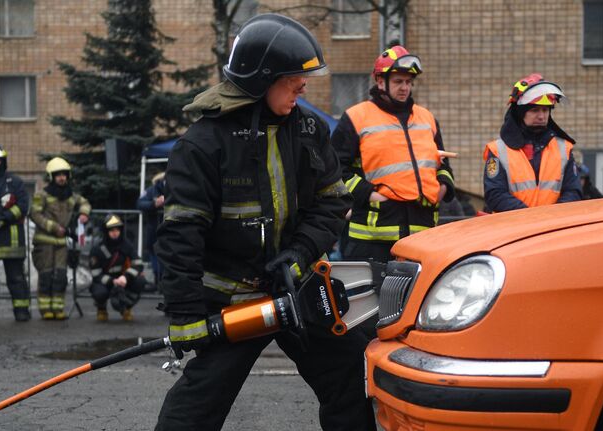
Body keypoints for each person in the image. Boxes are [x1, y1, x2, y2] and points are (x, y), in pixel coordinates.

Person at [154, 14, 373, 431]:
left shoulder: (308, 129)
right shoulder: (203, 143)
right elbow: (180, 235)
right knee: (198, 406)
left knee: (352, 375)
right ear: (262, 79)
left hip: (299, 291)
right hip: (234, 303)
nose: (303, 87)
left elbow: (332, 202)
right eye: (293, 80)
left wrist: (298, 255)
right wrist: (185, 317)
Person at [331, 45, 455, 264]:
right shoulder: (356, 117)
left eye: (408, 82)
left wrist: (442, 188)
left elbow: (442, 165)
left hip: (422, 236)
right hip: (372, 239)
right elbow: (334, 171)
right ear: (380, 81)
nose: (404, 88)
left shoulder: (427, 119)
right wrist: (370, 194)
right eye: (398, 81)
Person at [483, 73, 582, 212]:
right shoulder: (498, 150)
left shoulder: (564, 148)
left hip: (553, 227)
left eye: (545, 110)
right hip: (513, 228)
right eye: (535, 110)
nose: (541, 116)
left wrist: (552, 217)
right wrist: (529, 218)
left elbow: (573, 191)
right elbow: (495, 194)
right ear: (520, 113)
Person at [30, 157, 91, 320]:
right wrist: (53, 227)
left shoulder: (71, 196)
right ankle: (45, 310)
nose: (61, 177)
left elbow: (85, 203)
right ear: (52, 176)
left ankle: (58, 309)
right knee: (46, 276)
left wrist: (84, 213)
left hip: (62, 244)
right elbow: (35, 214)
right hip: (44, 243)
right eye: (58, 175)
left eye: (64, 174)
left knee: (60, 277)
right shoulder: (41, 195)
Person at [0, 144, 31, 322]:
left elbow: (24, 205)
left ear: (4, 161)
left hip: (12, 240)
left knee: (16, 277)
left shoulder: (15, 182)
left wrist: (6, 217)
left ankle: (21, 310)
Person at [88, 214, 145, 321]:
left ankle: (126, 308)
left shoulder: (126, 245)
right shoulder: (97, 249)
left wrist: (125, 277)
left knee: (140, 281)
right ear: (106, 231)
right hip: (105, 281)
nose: (115, 233)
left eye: (117, 230)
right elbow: (96, 274)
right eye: (111, 230)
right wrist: (112, 281)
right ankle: (101, 309)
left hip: (122, 280)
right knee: (99, 292)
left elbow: (138, 264)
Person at [136, 171, 165, 286]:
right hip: (154, 230)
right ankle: (158, 280)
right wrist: (154, 204)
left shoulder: (177, 188)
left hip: (172, 231)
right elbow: (139, 203)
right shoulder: (152, 190)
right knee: (154, 254)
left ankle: (163, 281)